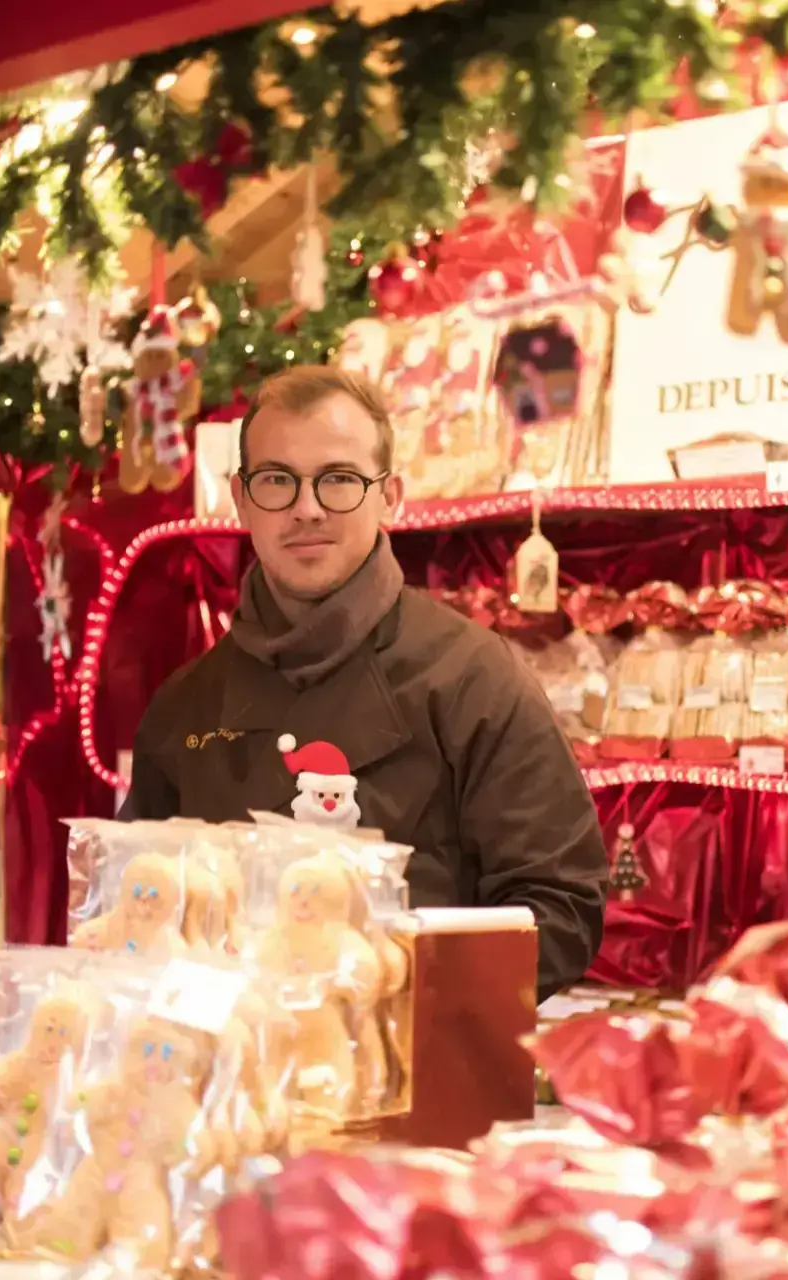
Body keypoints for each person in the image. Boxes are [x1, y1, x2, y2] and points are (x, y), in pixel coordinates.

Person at [118, 365, 607, 1000]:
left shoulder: (474, 678)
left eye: (340, 480)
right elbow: (139, 898)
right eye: (276, 481)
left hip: (416, 1081)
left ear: (389, 496)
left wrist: (390, 989)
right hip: (225, 1085)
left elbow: (561, 908)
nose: (307, 508)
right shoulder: (184, 706)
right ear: (240, 499)